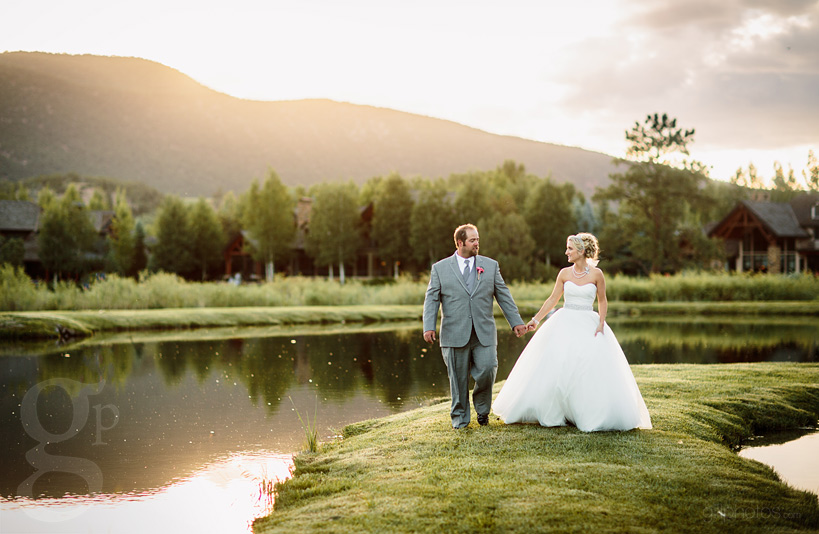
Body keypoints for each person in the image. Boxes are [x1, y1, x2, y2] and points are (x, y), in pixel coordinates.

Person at [493, 233, 651, 432]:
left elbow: (602, 300)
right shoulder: (564, 273)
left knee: (586, 366)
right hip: (564, 322)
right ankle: (555, 411)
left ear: (581, 251)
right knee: (558, 363)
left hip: (588, 322)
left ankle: (586, 412)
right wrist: (535, 320)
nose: (566, 252)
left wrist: (601, 323)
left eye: (569, 248)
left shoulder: (597, 274)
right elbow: (552, 300)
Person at [423, 224, 528, 429]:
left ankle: (482, 411)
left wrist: (516, 322)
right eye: (472, 240)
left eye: (478, 239)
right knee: (458, 379)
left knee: (488, 368)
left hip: (484, 332)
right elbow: (431, 299)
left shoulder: (490, 266)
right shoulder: (440, 269)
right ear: (460, 243)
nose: (477, 243)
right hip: (454, 333)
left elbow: (503, 295)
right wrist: (429, 326)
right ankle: (460, 419)